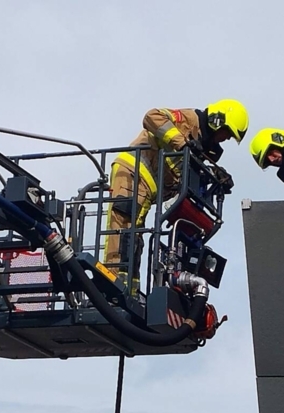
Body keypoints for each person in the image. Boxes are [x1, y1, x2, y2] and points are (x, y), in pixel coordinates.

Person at [104, 99, 249, 287]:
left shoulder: (203, 144)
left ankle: (129, 287)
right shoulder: (188, 120)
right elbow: (151, 116)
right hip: (135, 169)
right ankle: (113, 282)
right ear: (217, 120)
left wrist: (216, 176)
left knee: (136, 234)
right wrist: (182, 143)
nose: (225, 139)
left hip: (151, 186)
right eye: (227, 133)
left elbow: (188, 170)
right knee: (124, 226)